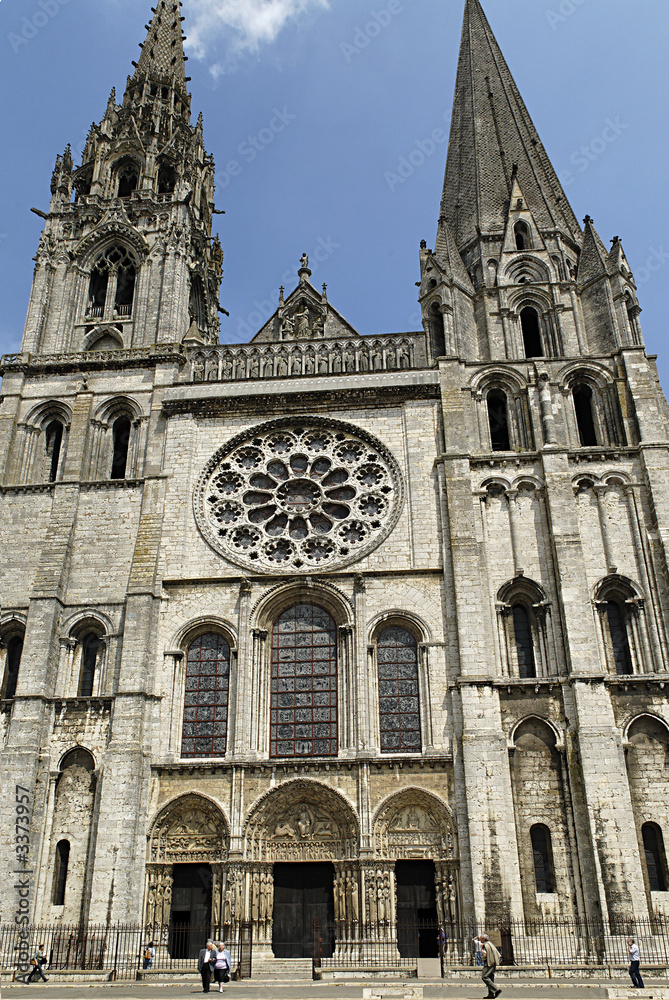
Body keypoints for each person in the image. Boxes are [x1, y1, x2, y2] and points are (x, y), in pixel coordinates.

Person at [479, 933, 501, 998]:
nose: (480, 940)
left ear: (483, 939)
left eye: (480, 938)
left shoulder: (485, 945)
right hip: (493, 962)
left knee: (484, 977)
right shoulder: (490, 944)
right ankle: (491, 995)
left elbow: (485, 955)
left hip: (489, 963)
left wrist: (482, 952)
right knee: (490, 978)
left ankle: (496, 990)